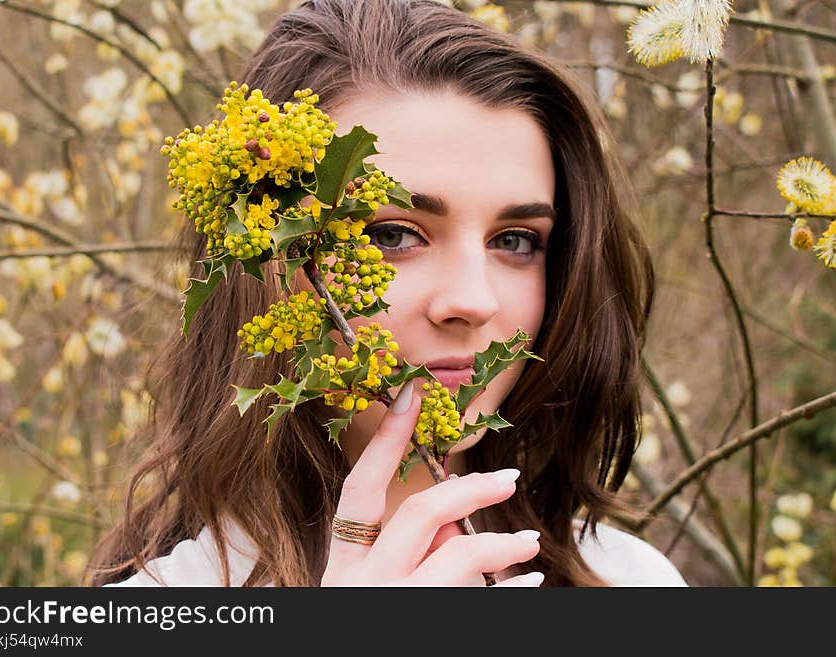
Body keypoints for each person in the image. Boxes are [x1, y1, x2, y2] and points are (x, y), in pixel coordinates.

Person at [89, 0, 687, 587]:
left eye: (516, 241)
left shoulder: (632, 578)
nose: (474, 301)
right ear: (263, 258)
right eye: (393, 234)